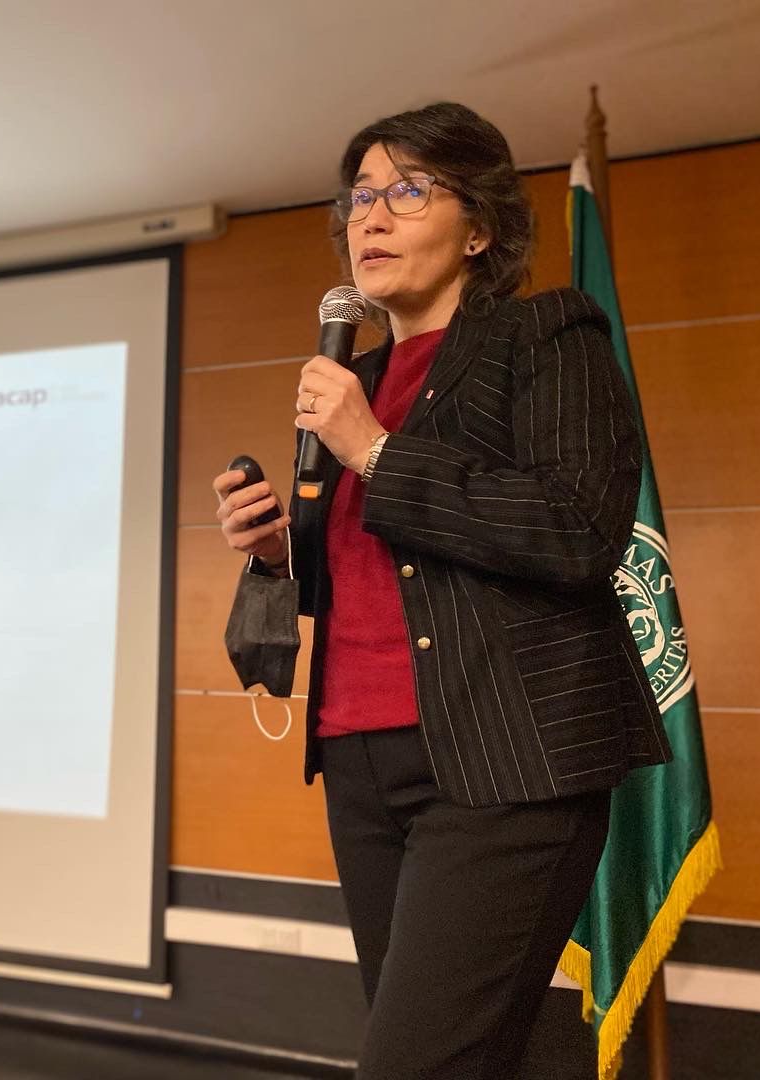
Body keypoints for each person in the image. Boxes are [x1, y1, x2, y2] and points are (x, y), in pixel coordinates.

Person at [212, 102, 672, 1080]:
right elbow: (376, 575)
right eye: (360, 197)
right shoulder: (354, 375)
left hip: (500, 763)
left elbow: (578, 530)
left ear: (480, 229)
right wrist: (275, 554)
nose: (371, 217)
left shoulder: (548, 336)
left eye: (409, 190)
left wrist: (376, 451)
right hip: (358, 762)